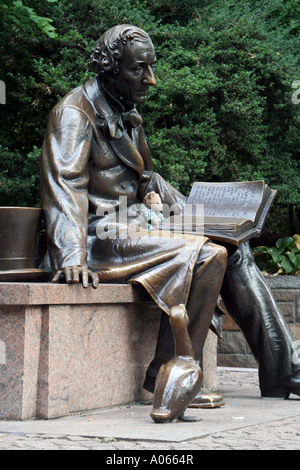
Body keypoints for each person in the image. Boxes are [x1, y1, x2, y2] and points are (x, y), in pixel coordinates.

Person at [41, 24, 300, 402]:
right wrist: (70, 255)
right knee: (208, 255)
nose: (151, 80)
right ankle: (170, 374)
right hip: (100, 236)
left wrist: (196, 211)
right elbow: (64, 185)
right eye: (138, 70)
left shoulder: (124, 109)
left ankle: (282, 370)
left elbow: (142, 178)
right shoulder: (73, 114)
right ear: (109, 69)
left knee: (236, 247)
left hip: (134, 224)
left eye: (151, 67)